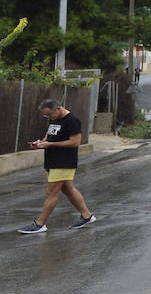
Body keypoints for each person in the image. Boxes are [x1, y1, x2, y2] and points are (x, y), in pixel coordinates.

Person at [17, 99, 95, 234]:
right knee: (68, 189)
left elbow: (75, 142)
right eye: (46, 115)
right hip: (52, 161)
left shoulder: (72, 121)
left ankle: (40, 223)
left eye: (49, 114)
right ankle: (87, 216)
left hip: (64, 162)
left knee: (51, 192)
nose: (48, 117)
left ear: (58, 108)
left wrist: (50, 145)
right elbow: (49, 136)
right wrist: (40, 143)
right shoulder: (54, 119)